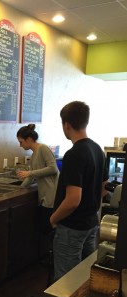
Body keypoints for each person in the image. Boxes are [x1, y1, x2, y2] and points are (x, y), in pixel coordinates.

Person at [50, 101, 109, 282]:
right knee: (83, 277)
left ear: (66, 124)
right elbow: (104, 188)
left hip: (72, 227)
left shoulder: (74, 154)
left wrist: (53, 218)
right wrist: (89, 203)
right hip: (91, 224)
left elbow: (73, 199)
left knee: (66, 281)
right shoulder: (97, 149)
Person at [16, 124, 59, 235]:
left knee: (50, 230)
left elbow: (53, 169)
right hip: (44, 196)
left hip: (51, 196)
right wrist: (20, 188)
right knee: (44, 229)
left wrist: (30, 172)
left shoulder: (43, 148)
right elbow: (31, 176)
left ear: (29, 139)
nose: (20, 145)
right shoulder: (34, 154)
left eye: (21, 142)